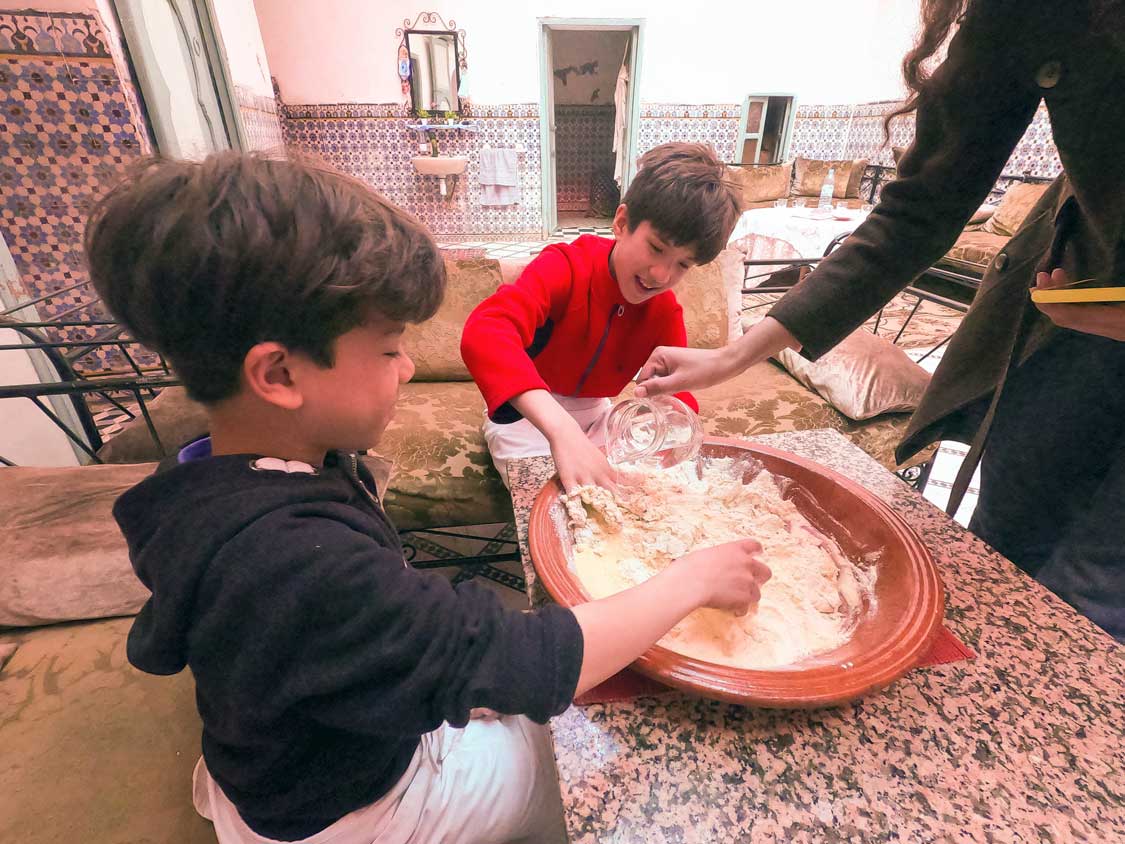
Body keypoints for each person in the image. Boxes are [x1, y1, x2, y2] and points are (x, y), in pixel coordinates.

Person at [84, 152, 771, 844]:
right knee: (588, 748)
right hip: (352, 811)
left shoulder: (216, 479)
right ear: (278, 372)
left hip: (273, 756)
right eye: (388, 350)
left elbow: (350, 635)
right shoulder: (300, 565)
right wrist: (694, 578)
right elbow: (525, 659)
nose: (410, 366)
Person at [636, 0, 1125, 641]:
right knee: (1007, 562)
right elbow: (920, 208)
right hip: (1074, 316)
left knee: (1095, 599)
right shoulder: (1029, 14)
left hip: (1099, 315)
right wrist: (733, 356)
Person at [460, 142, 742, 492]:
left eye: (683, 264)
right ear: (622, 222)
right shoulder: (564, 268)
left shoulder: (664, 310)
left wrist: (671, 420)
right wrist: (560, 428)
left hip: (599, 417)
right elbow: (485, 332)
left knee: (638, 495)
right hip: (527, 415)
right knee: (552, 502)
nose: (661, 275)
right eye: (656, 248)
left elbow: (678, 393)